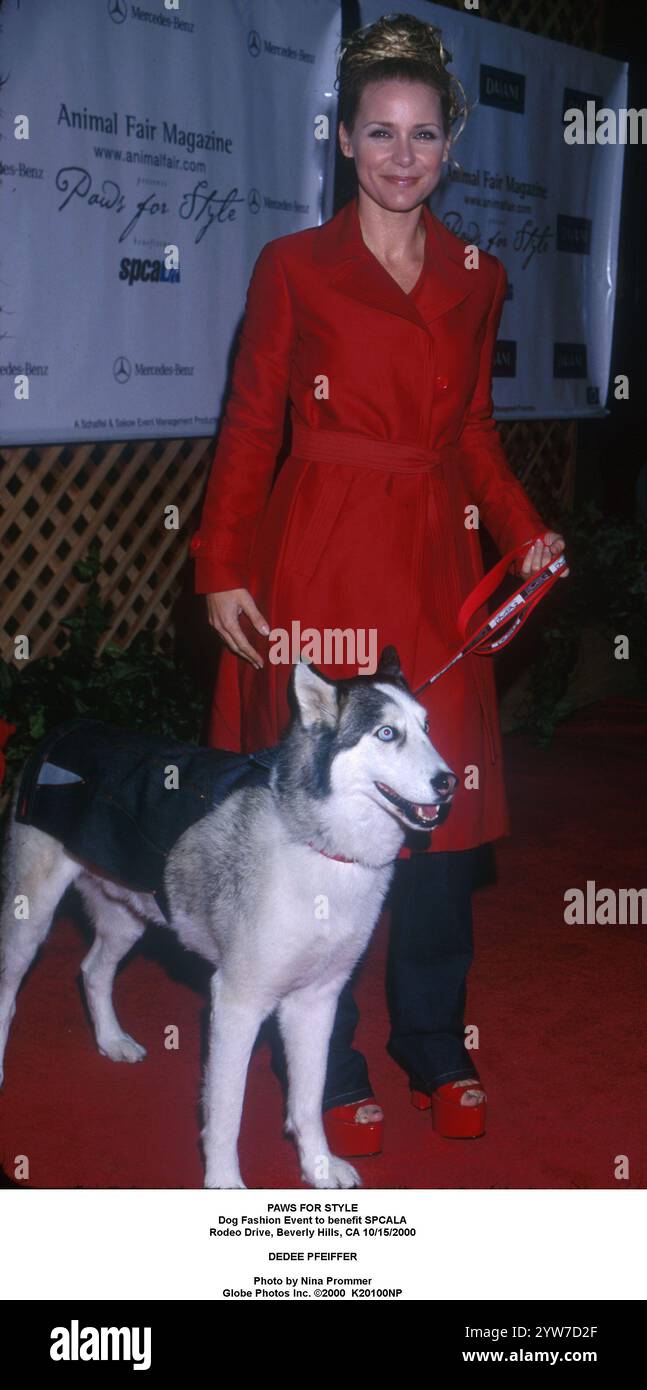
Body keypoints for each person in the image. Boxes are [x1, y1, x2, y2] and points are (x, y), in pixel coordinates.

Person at [190, 12, 566, 1162]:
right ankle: (333, 1059)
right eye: (379, 133)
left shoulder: (475, 275)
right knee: (317, 818)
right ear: (345, 141)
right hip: (315, 557)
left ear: (449, 144)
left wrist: (524, 530)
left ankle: (431, 1038)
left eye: (424, 135)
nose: (402, 155)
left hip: (433, 565)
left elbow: (472, 436)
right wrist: (220, 566)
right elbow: (251, 426)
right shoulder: (292, 266)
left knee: (433, 809)